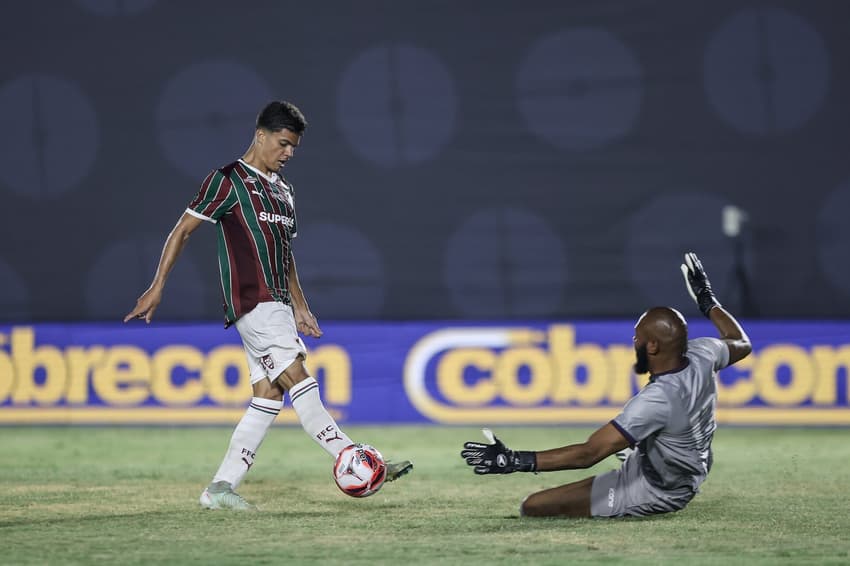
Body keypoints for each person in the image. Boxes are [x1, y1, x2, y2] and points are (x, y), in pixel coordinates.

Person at [125, 100, 412, 510]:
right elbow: (183, 230)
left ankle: (219, 489)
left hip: (277, 304)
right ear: (261, 135)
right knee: (298, 376)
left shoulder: (284, 191)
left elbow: (284, 254)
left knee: (269, 395)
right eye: (282, 143)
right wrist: (157, 287)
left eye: (293, 147)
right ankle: (356, 459)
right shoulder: (227, 180)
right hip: (252, 301)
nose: (288, 153)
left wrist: (301, 305)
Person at [460, 252, 751, 518]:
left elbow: (588, 454)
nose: (633, 342)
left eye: (636, 338)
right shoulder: (704, 352)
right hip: (688, 463)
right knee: (628, 436)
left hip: (661, 487)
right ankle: (640, 452)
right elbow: (741, 342)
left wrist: (513, 460)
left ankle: (638, 467)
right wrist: (708, 301)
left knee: (532, 506)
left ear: (651, 347)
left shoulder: (658, 399)